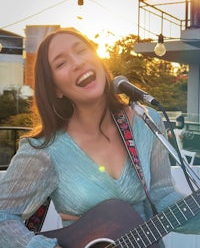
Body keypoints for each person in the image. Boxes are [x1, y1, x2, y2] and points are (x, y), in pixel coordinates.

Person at [0, 28, 200, 248]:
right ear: (56, 89)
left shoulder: (146, 120)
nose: (77, 63)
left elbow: (161, 197)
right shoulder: (44, 149)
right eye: (61, 64)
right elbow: (3, 216)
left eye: (81, 51)